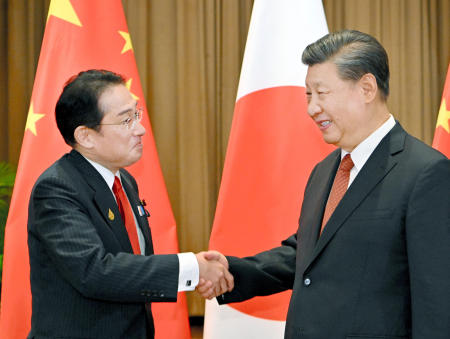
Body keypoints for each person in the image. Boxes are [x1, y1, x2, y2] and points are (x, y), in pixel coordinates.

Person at [198, 30, 450, 338]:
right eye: (308, 94)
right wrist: (233, 271)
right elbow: (309, 254)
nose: (311, 108)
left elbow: (436, 300)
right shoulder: (325, 170)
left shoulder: (425, 173)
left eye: (322, 93)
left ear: (367, 88)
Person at [27, 69, 233, 339]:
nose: (140, 129)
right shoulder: (57, 189)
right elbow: (95, 271)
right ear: (86, 136)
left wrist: (196, 270)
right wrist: (191, 267)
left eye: (136, 114)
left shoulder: (124, 181)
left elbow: (132, 266)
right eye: (126, 120)